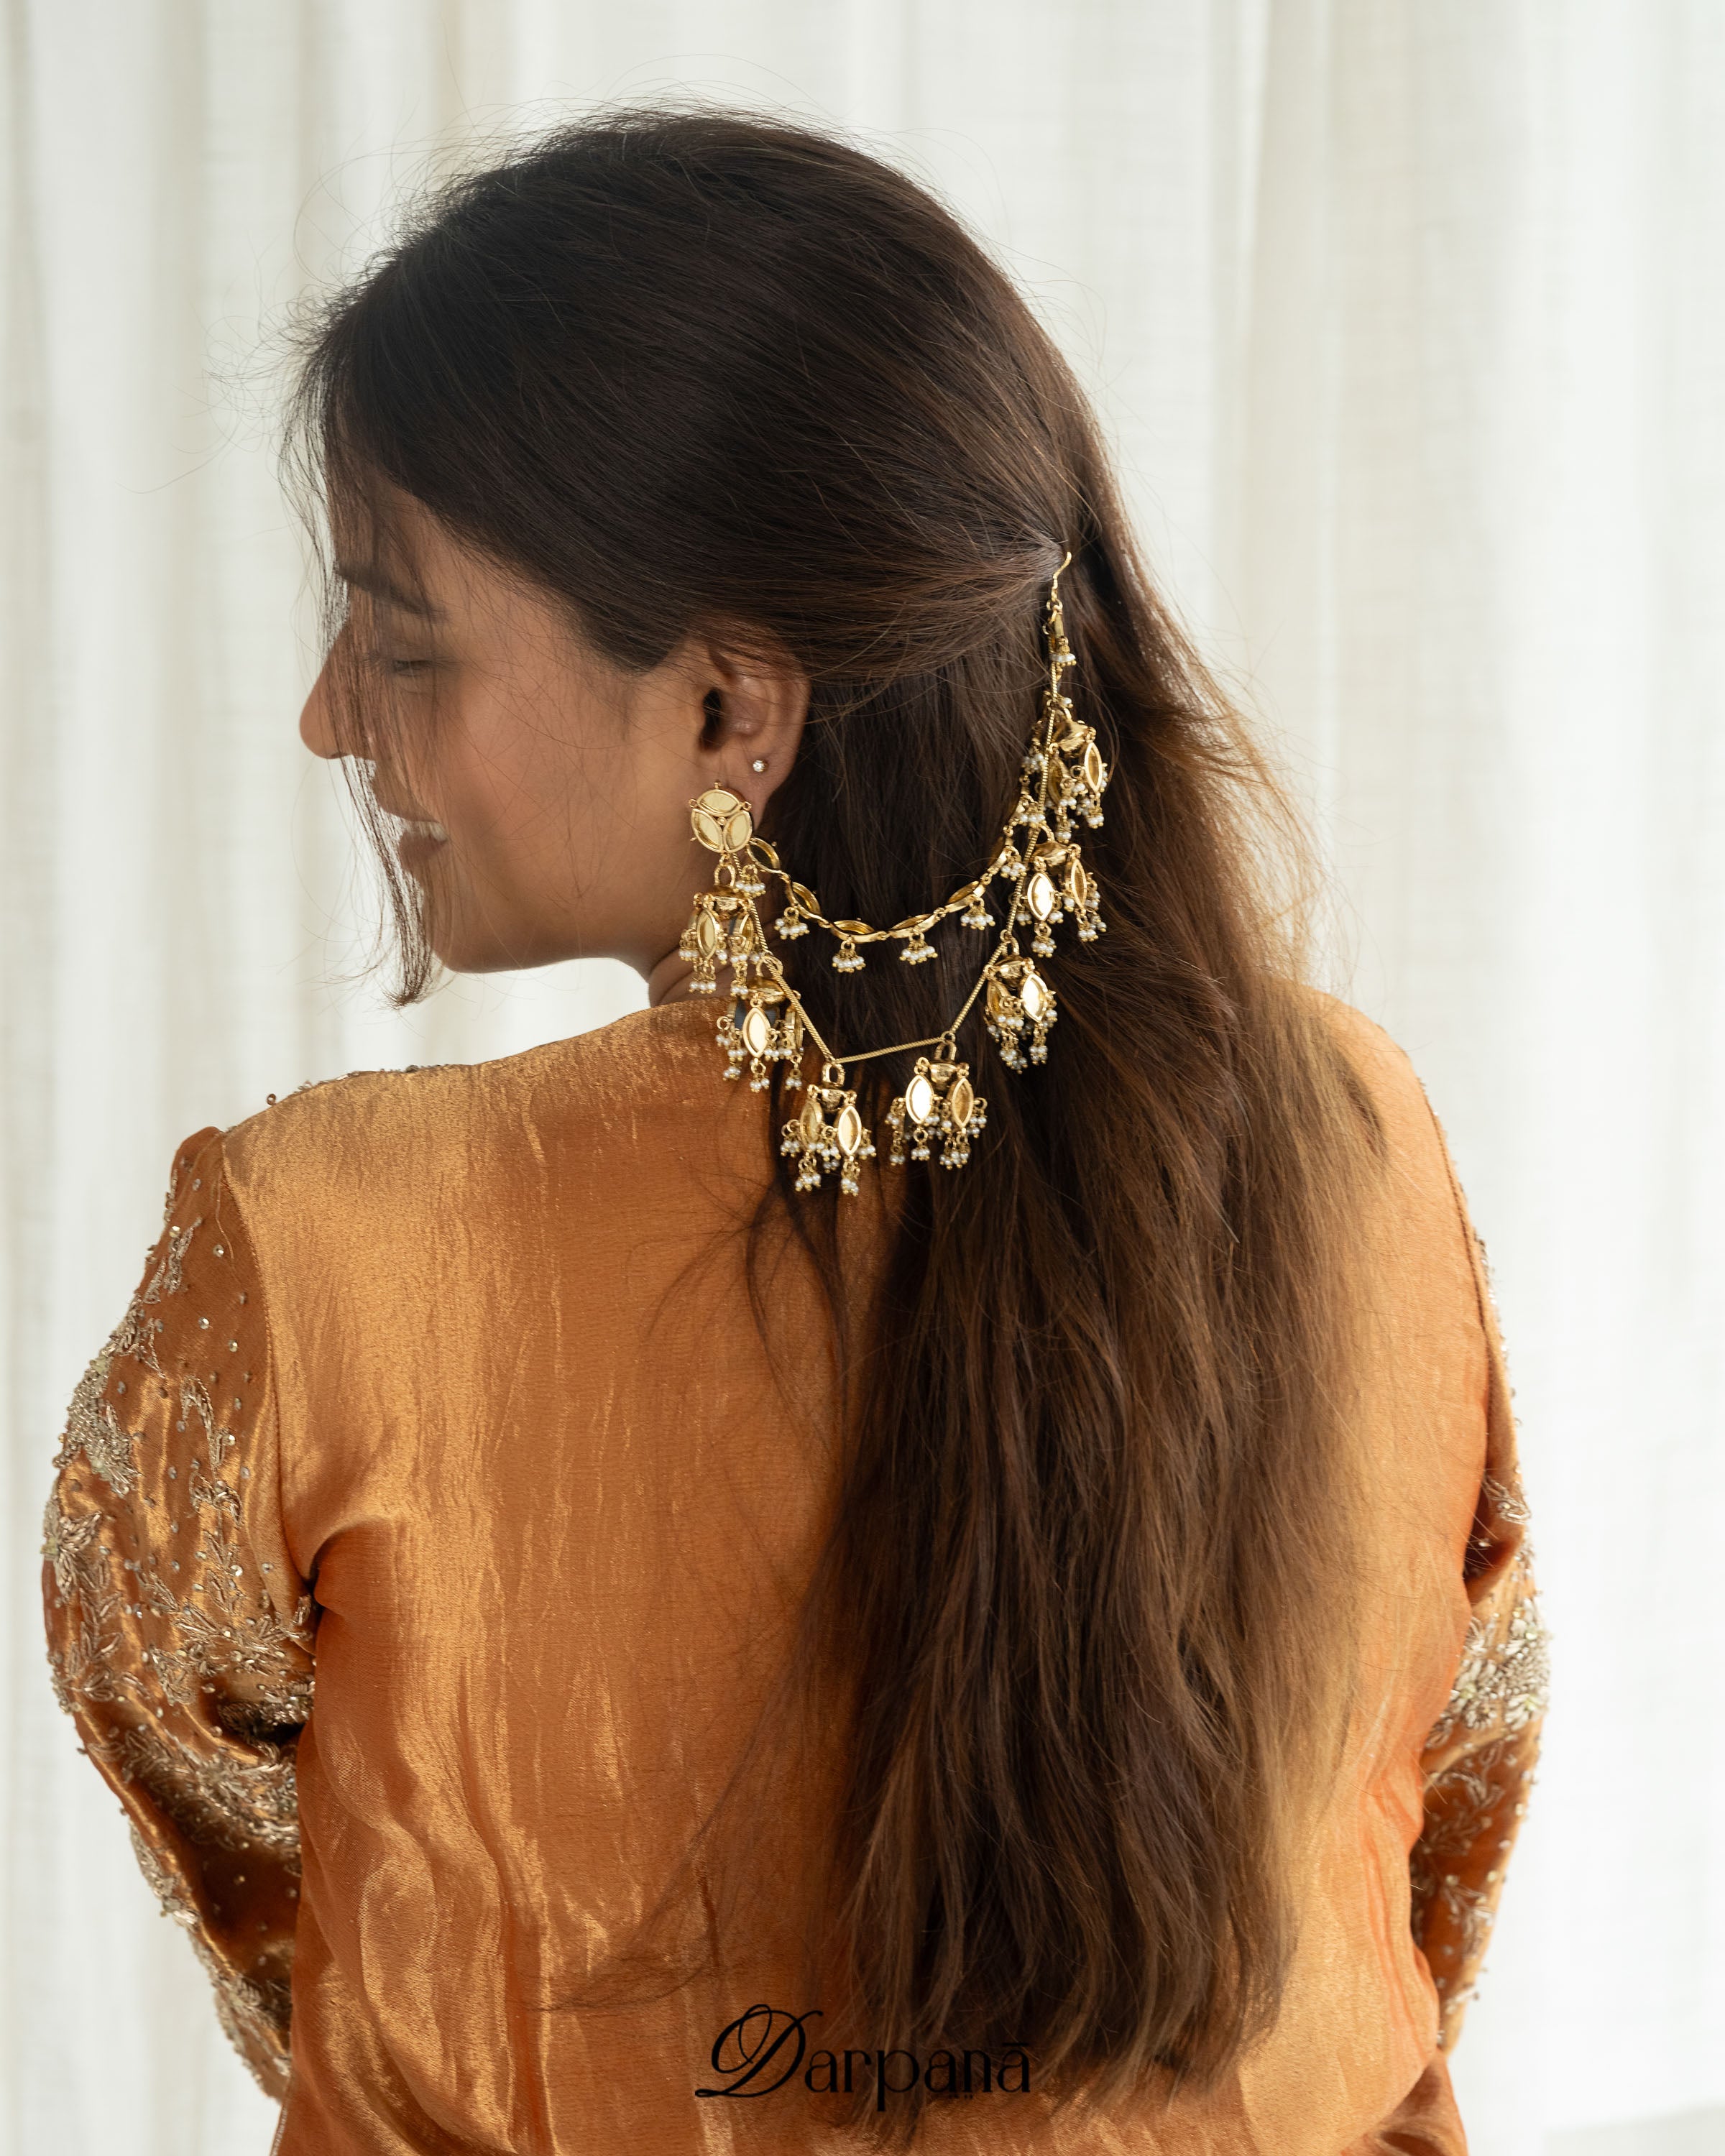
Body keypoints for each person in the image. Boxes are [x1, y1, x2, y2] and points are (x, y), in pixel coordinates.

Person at [41, 109, 1547, 2155]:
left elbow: (229, 1807)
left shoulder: (323, 1255)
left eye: (402, 641)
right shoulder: (1354, 1141)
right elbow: (1418, 1851)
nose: (331, 717)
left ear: (732, 715)